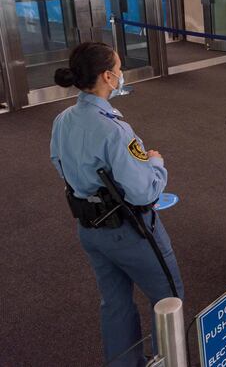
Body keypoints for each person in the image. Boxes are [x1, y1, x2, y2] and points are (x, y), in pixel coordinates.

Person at [50, 42, 183, 367]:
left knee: (115, 303)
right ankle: (169, 361)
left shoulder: (63, 120)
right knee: (169, 299)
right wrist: (156, 164)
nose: (122, 74)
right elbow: (143, 193)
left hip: (90, 229)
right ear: (108, 77)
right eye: (119, 69)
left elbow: (59, 163)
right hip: (129, 231)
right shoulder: (114, 130)